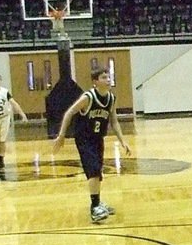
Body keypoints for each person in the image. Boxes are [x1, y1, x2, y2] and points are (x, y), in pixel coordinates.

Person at [51, 68, 132, 223]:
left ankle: (98, 202)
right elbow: (69, 113)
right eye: (104, 77)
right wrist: (61, 135)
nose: (108, 80)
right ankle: (94, 208)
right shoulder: (88, 97)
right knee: (93, 171)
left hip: (97, 138)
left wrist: (123, 141)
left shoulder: (111, 98)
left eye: (109, 77)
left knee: (98, 172)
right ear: (95, 81)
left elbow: (114, 121)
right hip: (84, 138)